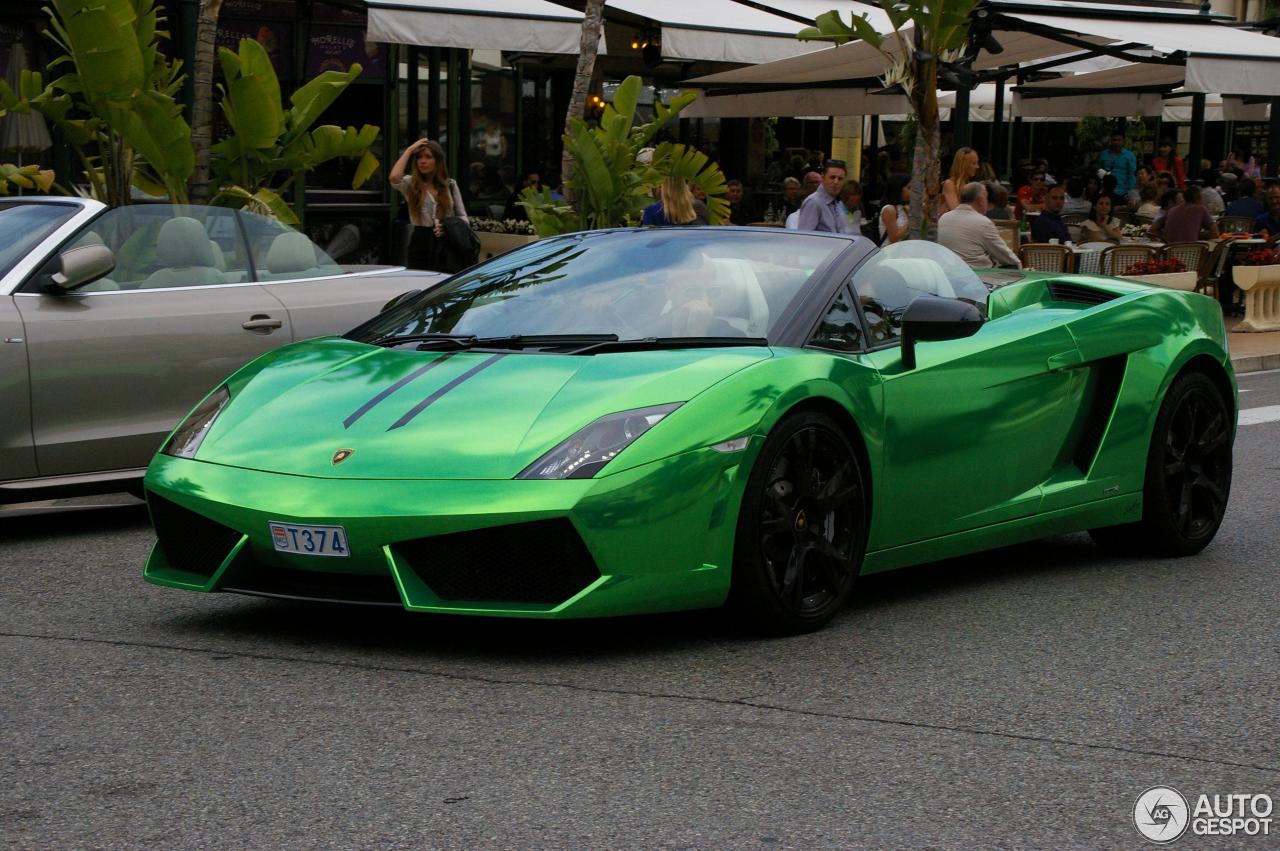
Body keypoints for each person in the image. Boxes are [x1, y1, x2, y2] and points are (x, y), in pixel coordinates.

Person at [389, 138, 468, 272]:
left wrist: (448, 228)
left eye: (428, 157)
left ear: (437, 161)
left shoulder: (450, 185)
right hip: (421, 238)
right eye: (419, 157)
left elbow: (462, 216)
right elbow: (394, 177)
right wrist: (409, 150)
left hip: (445, 241)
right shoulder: (411, 184)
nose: (423, 161)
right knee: (420, 280)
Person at [938, 182, 1021, 269]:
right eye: (986, 198)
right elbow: (1006, 256)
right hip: (976, 275)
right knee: (1013, 265)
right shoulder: (983, 222)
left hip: (948, 272)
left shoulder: (944, 218)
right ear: (980, 201)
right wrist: (1019, 265)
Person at [797, 159, 848, 233]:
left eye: (840, 179)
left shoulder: (839, 203)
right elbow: (804, 237)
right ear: (823, 177)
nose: (836, 182)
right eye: (832, 177)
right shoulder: (813, 202)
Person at [641, 177, 709, 226]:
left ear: (663, 186)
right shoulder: (697, 206)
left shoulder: (652, 210)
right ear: (683, 185)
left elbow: (647, 238)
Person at [1098, 132, 1137, 201]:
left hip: (1123, 191)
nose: (1116, 142)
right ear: (1111, 141)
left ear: (1123, 141)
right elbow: (1099, 170)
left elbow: (1131, 175)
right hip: (1106, 190)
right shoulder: (1103, 154)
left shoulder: (1130, 155)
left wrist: (1131, 192)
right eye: (1114, 140)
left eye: (1119, 140)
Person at [941, 147, 978, 214]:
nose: (977, 167)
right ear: (964, 165)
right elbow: (956, 211)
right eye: (974, 163)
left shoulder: (969, 185)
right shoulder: (949, 184)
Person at [879, 174, 911, 244]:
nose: (911, 191)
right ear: (899, 188)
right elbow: (893, 238)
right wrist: (910, 222)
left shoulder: (903, 208)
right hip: (889, 252)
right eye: (908, 188)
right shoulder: (889, 209)